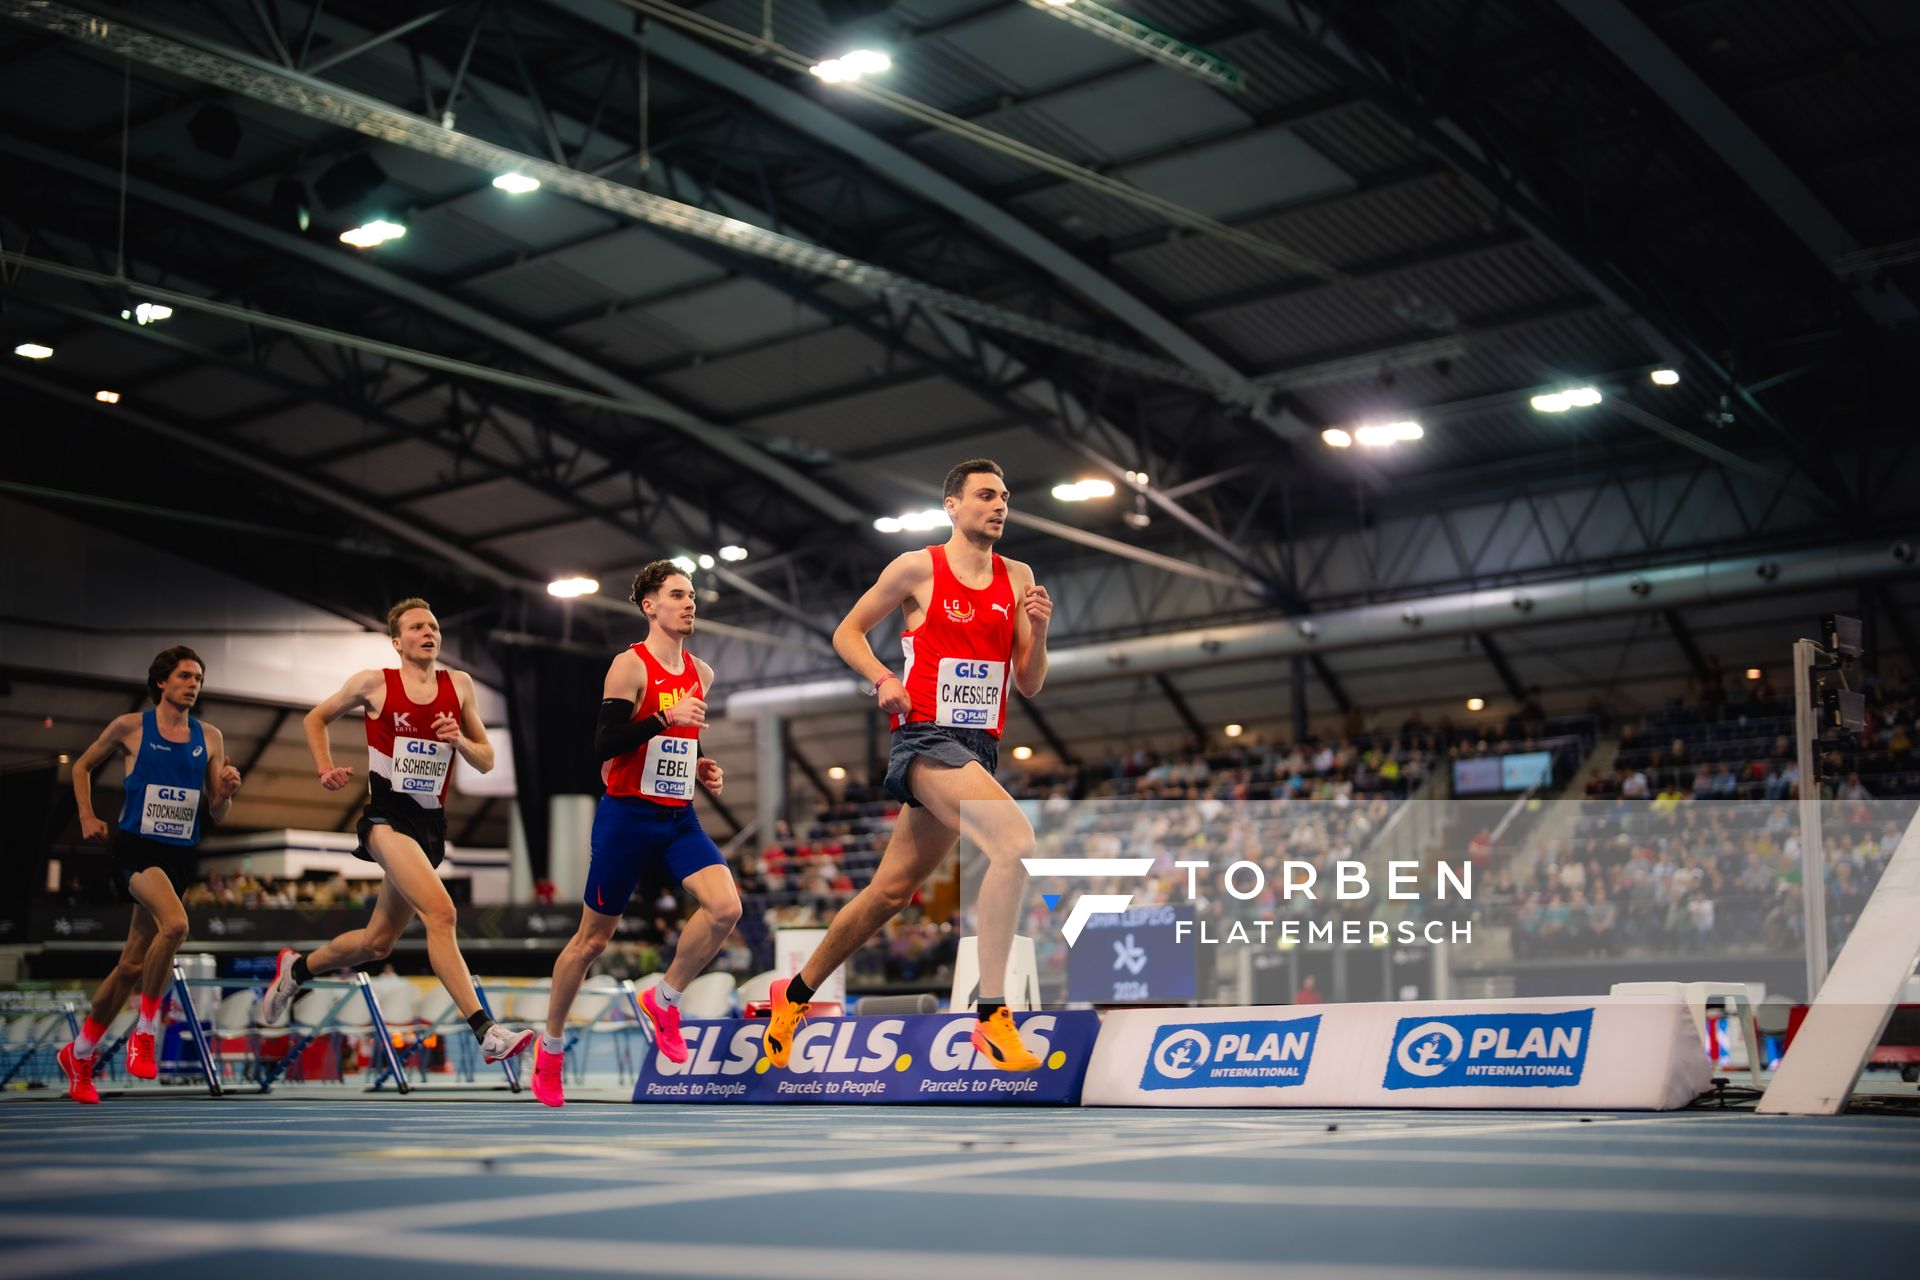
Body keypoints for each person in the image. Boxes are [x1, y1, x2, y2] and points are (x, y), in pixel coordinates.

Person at [762, 458, 1052, 1072]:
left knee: (889, 893)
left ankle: (792, 997)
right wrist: (882, 678)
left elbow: (1028, 683)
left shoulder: (1019, 576)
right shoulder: (918, 567)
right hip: (924, 737)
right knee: (1015, 841)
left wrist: (1040, 633)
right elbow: (847, 632)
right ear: (952, 505)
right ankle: (993, 1016)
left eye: (1004, 496)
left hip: (978, 748)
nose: (999, 506)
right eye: (984, 496)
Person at [256, 598, 533, 1065]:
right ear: (398, 642)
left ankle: (296, 968)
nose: (429, 632)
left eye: (434, 625)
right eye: (417, 627)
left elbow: (486, 761)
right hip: (385, 820)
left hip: (430, 829)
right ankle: (486, 1032)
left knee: (375, 942)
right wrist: (324, 768)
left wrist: (459, 740)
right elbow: (315, 717)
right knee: (442, 914)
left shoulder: (459, 686)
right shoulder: (374, 683)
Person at [529, 562, 735, 1107]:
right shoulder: (629, 666)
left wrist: (699, 766)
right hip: (626, 817)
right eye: (677, 595)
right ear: (650, 605)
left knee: (725, 909)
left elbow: (674, 747)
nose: (689, 604)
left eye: (692, 596)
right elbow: (603, 745)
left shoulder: (702, 673)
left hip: (677, 818)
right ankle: (550, 1048)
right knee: (591, 941)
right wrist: (666, 719)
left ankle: (665, 999)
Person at [59, 647, 244, 1103]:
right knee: (177, 925)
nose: (193, 684)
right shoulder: (130, 727)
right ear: (162, 682)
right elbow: (82, 766)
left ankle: (79, 1053)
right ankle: (145, 1031)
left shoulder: (211, 737)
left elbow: (218, 812)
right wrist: (86, 815)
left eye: (198, 677)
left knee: (129, 966)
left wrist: (225, 793)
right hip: (137, 850)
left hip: (181, 854)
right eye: (184, 676)